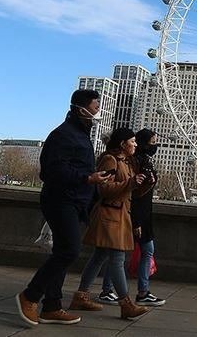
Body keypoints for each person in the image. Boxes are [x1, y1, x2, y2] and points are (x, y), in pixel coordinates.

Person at [16, 89, 111, 326]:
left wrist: (92, 180)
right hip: (60, 200)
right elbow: (51, 171)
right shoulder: (63, 135)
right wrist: (87, 179)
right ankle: (29, 296)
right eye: (95, 107)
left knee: (61, 251)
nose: (97, 112)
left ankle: (52, 307)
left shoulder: (80, 135)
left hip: (75, 201)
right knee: (69, 250)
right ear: (80, 109)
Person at [69, 127, 150, 319]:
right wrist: (131, 182)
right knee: (117, 259)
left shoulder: (127, 162)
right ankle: (126, 303)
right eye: (132, 141)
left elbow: (129, 190)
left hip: (119, 214)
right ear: (123, 144)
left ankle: (81, 295)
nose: (136, 144)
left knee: (99, 256)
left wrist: (145, 184)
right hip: (110, 215)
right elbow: (104, 188)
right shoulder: (110, 160)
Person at [97, 129, 165, 307]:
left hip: (134, 214)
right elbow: (113, 190)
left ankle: (96, 291)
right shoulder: (124, 161)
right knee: (119, 255)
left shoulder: (135, 160)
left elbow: (137, 190)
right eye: (152, 142)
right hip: (127, 214)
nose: (155, 145)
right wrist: (136, 220)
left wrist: (146, 184)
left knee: (107, 255)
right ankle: (130, 296)